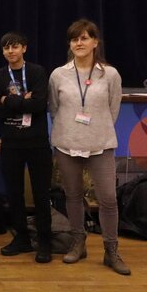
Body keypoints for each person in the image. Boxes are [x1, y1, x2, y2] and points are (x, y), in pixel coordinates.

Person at [49, 19, 130, 275]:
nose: (79, 43)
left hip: (100, 144)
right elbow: (54, 107)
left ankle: (111, 250)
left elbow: (113, 108)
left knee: (107, 198)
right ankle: (78, 242)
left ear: (96, 42)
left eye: (84, 38)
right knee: (73, 195)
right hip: (66, 143)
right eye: (74, 39)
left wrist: (96, 129)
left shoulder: (111, 74)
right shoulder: (58, 74)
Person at [0, 32, 52, 263]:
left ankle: (44, 241)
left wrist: (10, 101)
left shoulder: (37, 72)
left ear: (24, 48)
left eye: (15, 47)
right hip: (11, 143)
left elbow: (38, 105)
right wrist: (20, 101)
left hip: (37, 142)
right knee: (14, 193)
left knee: (40, 193)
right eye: (6, 48)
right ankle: (22, 238)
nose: (10, 51)